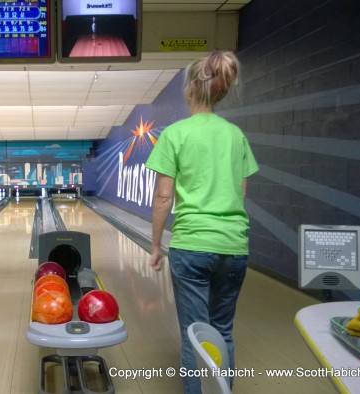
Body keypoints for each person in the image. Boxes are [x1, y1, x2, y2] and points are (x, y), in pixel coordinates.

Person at [145, 51, 259, 393]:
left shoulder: (175, 134)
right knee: (222, 331)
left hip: (192, 245)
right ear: (221, 90)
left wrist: (155, 245)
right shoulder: (236, 136)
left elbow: (163, 197)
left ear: (189, 89)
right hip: (234, 247)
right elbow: (240, 193)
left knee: (194, 333)